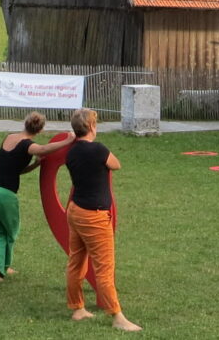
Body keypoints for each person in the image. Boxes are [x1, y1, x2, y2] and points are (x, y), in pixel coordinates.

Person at [64, 108, 141, 332]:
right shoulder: (97, 149)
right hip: (94, 216)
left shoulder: (71, 152)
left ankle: (77, 308)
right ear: (91, 127)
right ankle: (117, 316)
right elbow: (115, 164)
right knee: (104, 267)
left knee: (76, 262)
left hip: (75, 210)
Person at [0, 112, 75, 282]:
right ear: (41, 129)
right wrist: (68, 140)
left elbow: (16, 170)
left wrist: (36, 164)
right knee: (9, 232)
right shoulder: (28, 146)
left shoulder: (9, 138)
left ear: (25, 123)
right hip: (4, 195)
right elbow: (43, 149)